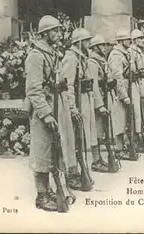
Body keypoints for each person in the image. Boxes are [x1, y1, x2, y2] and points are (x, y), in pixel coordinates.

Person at [25, 15, 62, 212]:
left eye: (58, 30)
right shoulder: (36, 56)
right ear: (45, 34)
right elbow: (33, 90)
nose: (58, 34)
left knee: (52, 150)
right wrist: (46, 114)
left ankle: (48, 190)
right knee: (42, 152)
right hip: (42, 112)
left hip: (53, 107)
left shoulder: (51, 53)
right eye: (55, 31)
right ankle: (41, 195)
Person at [58, 27, 97, 188]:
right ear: (79, 42)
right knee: (72, 140)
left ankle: (80, 172)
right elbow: (68, 86)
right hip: (75, 104)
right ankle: (71, 173)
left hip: (84, 101)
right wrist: (73, 109)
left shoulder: (80, 58)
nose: (89, 43)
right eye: (87, 41)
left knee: (81, 140)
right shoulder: (71, 59)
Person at [108, 29, 142, 159]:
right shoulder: (116, 55)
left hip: (127, 87)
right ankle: (119, 149)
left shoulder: (125, 53)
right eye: (127, 39)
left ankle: (125, 147)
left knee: (126, 119)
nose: (130, 41)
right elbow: (117, 77)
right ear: (121, 41)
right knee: (120, 120)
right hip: (120, 91)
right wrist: (124, 96)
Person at [87, 35, 116, 172]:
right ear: (95, 47)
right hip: (96, 100)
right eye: (101, 45)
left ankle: (99, 159)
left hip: (104, 96)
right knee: (96, 131)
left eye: (105, 45)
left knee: (102, 130)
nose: (104, 48)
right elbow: (93, 86)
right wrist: (99, 105)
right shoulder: (92, 62)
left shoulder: (101, 60)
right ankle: (96, 160)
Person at [129, 29, 144, 152]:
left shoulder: (139, 50)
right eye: (139, 38)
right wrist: (140, 72)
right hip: (138, 82)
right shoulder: (132, 51)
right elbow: (132, 68)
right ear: (134, 40)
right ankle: (138, 136)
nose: (142, 40)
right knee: (138, 110)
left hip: (143, 81)